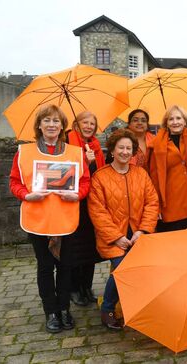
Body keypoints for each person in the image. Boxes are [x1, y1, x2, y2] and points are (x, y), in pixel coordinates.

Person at [9, 104, 90, 333]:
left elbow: (85, 182)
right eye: (47, 120)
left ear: (62, 126)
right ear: (39, 125)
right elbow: (14, 182)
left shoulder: (75, 152)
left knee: (66, 266)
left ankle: (64, 308)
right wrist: (27, 194)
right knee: (45, 267)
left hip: (66, 219)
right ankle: (51, 312)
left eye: (56, 121)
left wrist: (77, 195)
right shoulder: (24, 152)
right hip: (38, 219)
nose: (52, 125)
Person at [88, 129, 159, 330]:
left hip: (138, 233)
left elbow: (152, 203)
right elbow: (97, 211)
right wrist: (117, 237)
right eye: (121, 147)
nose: (125, 152)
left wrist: (143, 231)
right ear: (112, 150)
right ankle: (108, 308)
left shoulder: (141, 174)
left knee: (142, 269)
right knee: (122, 269)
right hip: (113, 236)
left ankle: (135, 305)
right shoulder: (100, 177)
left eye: (129, 148)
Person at [63, 111, 105, 306]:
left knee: (90, 247)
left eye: (92, 123)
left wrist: (91, 161)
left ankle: (86, 286)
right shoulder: (67, 143)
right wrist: (83, 162)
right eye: (85, 122)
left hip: (92, 201)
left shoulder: (94, 145)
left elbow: (99, 174)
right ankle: (73, 287)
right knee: (74, 247)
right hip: (73, 201)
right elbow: (64, 174)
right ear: (76, 123)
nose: (88, 126)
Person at [148, 105, 187, 232]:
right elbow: (154, 178)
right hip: (170, 204)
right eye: (171, 119)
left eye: (178, 118)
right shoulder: (156, 144)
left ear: (185, 121)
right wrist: (156, 208)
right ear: (166, 123)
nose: (175, 122)